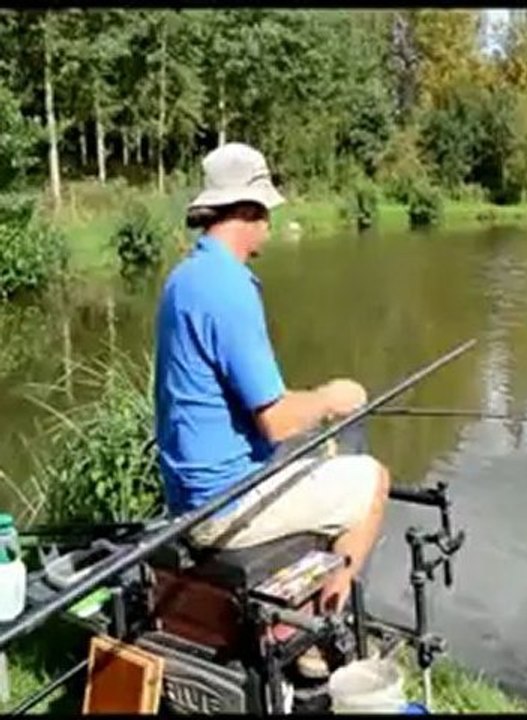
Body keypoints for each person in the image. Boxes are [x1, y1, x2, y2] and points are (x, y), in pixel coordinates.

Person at [153, 143, 390, 642]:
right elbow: (277, 420)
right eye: (265, 212)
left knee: (315, 458)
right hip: (223, 506)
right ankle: (320, 629)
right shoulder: (228, 287)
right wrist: (331, 397)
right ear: (246, 211)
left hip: (188, 497)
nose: (270, 224)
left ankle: (294, 613)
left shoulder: (185, 277)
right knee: (372, 481)